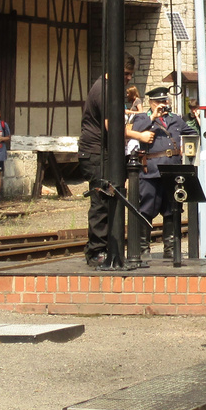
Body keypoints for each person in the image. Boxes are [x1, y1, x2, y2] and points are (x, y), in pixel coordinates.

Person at [78, 55, 133, 268]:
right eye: (126, 74)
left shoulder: (107, 88)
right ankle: (96, 251)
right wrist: (138, 135)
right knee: (101, 201)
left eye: (130, 74)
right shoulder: (105, 90)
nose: (128, 78)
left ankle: (105, 248)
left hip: (101, 153)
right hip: (96, 153)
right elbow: (113, 126)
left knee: (109, 200)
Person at [132, 86, 191, 261]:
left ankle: (170, 248)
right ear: (152, 103)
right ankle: (143, 249)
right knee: (146, 209)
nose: (163, 105)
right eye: (160, 102)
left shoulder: (176, 120)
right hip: (150, 170)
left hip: (171, 170)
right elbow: (136, 131)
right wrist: (152, 116)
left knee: (171, 209)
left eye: (165, 102)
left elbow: (192, 134)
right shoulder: (142, 118)